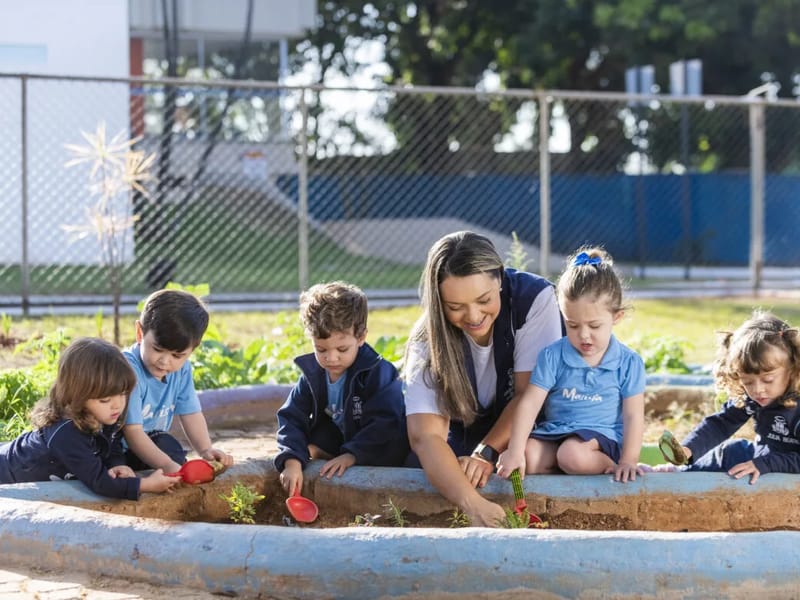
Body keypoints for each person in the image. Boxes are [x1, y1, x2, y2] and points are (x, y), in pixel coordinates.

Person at [403, 231, 563, 526]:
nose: (473, 316)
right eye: (455, 307)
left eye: (484, 299)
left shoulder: (534, 300)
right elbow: (425, 436)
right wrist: (473, 504)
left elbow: (530, 395)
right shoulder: (426, 338)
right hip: (465, 438)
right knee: (418, 465)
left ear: (499, 278)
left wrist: (486, 452)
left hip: (530, 429)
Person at [495, 247, 646, 485]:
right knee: (527, 456)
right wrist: (514, 450)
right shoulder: (553, 355)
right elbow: (530, 403)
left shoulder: (628, 362)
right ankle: (568, 474)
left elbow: (633, 415)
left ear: (616, 317)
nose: (584, 335)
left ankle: (608, 467)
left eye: (594, 326)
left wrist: (629, 460)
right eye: (573, 325)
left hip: (599, 440)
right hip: (556, 432)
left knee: (572, 455)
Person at [274, 281, 409, 497]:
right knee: (305, 438)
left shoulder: (378, 371)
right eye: (321, 349)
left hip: (381, 448)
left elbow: (386, 422)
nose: (331, 358)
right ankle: (315, 452)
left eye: (342, 349)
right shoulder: (313, 374)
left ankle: (330, 453)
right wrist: (291, 460)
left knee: (397, 441)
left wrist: (352, 455)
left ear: (361, 337)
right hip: (342, 437)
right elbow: (291, 416)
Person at [0, 338, 179, 499]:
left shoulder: (106, 413)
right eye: (105, 400)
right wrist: (145, 485)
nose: (117, 405)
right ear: (77, 395)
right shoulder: (66, 433)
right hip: (7, 474)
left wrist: (117, 464)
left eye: (123, 394)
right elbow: (99, 482)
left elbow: (113, 443)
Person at [650, 310, 800, 484]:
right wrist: (688, 449)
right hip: (763, 456)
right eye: (747, 382)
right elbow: (721, 424)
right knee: (731, 451)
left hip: (789, 471)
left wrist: (765, 464)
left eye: (768, 380)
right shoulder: (753, 399)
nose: (758, 390)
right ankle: (680, 471)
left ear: (793, 369)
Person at [122, 289, 234, 474]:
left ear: (193, 349)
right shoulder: (128, 370)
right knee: (168, 451)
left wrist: (206, 450)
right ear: (140, 333)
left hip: (148, 443)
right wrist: (166, 465)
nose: (165, 361)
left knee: (169, 448)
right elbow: (132, 431)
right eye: (157, 349)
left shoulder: (181, 370)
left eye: (177, 355)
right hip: (114, 448)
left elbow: (191, 414)